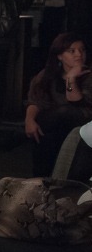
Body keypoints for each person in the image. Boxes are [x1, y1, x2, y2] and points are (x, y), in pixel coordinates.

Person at [24, 33, 92, 176]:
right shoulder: (48, 74)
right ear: (60, 56)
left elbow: (76, 103)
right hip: (55, 125)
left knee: (63, 111)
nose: (79, 54)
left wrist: (71, 79)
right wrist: (29, 120)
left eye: (82, 50)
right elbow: (36, 101)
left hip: (84, 119)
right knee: (45, 135)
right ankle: (42, 179)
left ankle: (16, 138)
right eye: (72, 51)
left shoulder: (89, 74)